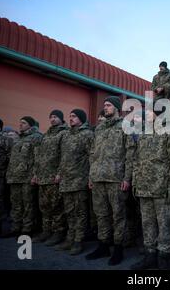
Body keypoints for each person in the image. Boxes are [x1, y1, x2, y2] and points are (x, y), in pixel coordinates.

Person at [129, 108, 170, 269]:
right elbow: (136, 161)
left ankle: (163, 256)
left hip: (161, 188)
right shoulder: (142, 134)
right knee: (147, 223)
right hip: (144, 187)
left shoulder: (168, 132)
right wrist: (135, 183)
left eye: (151, 112)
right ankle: (149, 254)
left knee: (164, 224)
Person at [86, 96, 132, 265]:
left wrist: (127, 178)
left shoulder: (125, 126)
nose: (105, 107)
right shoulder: (99, 128)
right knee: (101, 214)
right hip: (98, 177)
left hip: (115, 178)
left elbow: (130, 153)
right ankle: (103, 245)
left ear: (117, 108)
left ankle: (118, 249)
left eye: (108, 105)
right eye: (104, 105)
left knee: (118, 215)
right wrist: (91, 176)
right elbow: (93, 153)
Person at [54, 109, 93, 255]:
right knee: (69, 211)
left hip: (79, 180)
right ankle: (70, 238)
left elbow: (92, 156)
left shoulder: (87, 134)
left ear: (81, 119)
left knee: (80, 212)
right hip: (66, 180)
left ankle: (78, 241)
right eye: (69, 116)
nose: (70, 119)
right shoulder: (66, 135)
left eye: (74, 116)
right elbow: (62, 157)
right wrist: (59, 173)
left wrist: (90, 177)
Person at [31, 110, 68, 246]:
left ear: (61, 119)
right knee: (44, 206)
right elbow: (39, 156)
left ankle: (58, 232)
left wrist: (59, 173)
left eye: (55, 117)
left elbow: (64, 155)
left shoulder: (64, 133)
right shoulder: (46, 134)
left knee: (56, 206)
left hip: (54, 177)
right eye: (51, 117)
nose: (52, 119)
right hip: (43, 176)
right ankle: (46, 231)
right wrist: (36, 174)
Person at [2, 117, 42, 238]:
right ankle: (16, 227)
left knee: (28, 204)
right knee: (16, 204)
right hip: (15, 177)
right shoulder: (19, 138)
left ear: (30, 125)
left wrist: (35, 174)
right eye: (20, 123)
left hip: (27, 177)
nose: (20, 125)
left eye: (23, 123)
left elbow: (38, 158)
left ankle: (27, 229)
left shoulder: (36, 137)